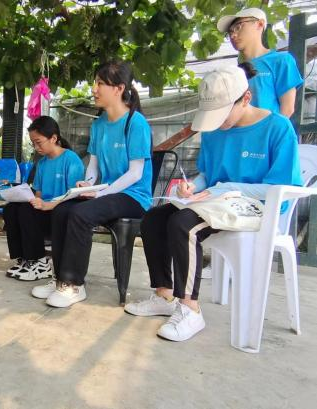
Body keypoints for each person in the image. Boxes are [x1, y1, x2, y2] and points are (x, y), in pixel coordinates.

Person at [124, 65, 302, 342]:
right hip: (216, 201)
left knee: (184, 225)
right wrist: (192, 186)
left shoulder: (277, 128)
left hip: (258, 208)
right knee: (154, 219)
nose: (217, 121)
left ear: (245, 98)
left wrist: (227, 188)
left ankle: (190, 308)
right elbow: (208, 174)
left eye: (222, 113)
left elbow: (278, 187)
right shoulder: (213, 131)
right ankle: (165, 294)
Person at [31, 61, 153, 308]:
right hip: (105, 193)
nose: (94, 89)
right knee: (61, 209)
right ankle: (59, 279)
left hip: (133, 196)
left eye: (100, 83)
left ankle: (74, 284)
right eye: (94, 83)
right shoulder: (99, 124)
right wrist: (86, 184)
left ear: (118, 89)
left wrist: (102, 192)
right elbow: (94, 166)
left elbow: (135, 173)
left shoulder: (135, 122)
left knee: (80, 213)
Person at [3, 116, 84, 281]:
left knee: (26, 211)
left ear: (54, 138)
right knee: (11, 208)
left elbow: (73, 195)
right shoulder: (42, 163)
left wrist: (47, 205)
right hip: (44, 210)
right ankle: (24, 258)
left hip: (61, 212)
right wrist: (34, 200)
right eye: (33, 143)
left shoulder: (71, 159)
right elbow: (38, 193)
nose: (36, 147)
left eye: (38, 142)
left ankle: (40, 262)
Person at [217, 7, 303, 117]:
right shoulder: (236, 71)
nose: (233, 35)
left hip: (270, 132)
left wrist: (270, 133)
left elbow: (287, 110)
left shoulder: (281, 61)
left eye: (238, 27)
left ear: (260, 24)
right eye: (230, 32)